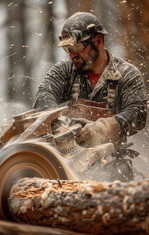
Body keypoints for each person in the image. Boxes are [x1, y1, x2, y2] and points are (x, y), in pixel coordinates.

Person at [33, 12, 147, 181]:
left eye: (78, 47)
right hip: (69, 161)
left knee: (118, 175)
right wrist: (60, 125)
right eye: (68, 49)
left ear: (98, 41)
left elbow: (137, 112)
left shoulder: (126, 74)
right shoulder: (65, 71)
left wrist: (103, 128)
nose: (73, 55)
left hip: (113, 161)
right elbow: (44, 94)